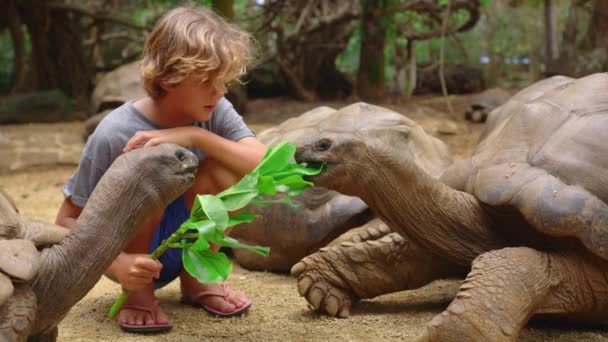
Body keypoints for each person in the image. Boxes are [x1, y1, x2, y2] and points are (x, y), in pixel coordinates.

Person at [55, 5, 266, 333]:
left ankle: (198, 281)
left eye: (223, 79)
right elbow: (66, 222)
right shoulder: (114, 132)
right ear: (168, 77)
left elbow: (261, 163)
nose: (220, 91)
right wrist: (116, 263)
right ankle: (138, 295)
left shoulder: (213, 109)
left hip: (186, 241)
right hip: (128, 254)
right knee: (151, 168)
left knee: (226, 171)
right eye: (207, 79)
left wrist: (197, 135)